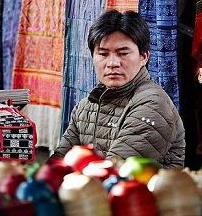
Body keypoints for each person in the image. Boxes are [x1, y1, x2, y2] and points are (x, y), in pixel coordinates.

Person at [54, 10, 185, 167]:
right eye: (103, 54)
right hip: (89, 188)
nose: (112, 63)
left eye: (123, 53)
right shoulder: (85, 107)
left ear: (144, 57)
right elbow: (58, 164)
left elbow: (114, 171)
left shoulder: (153, 105)